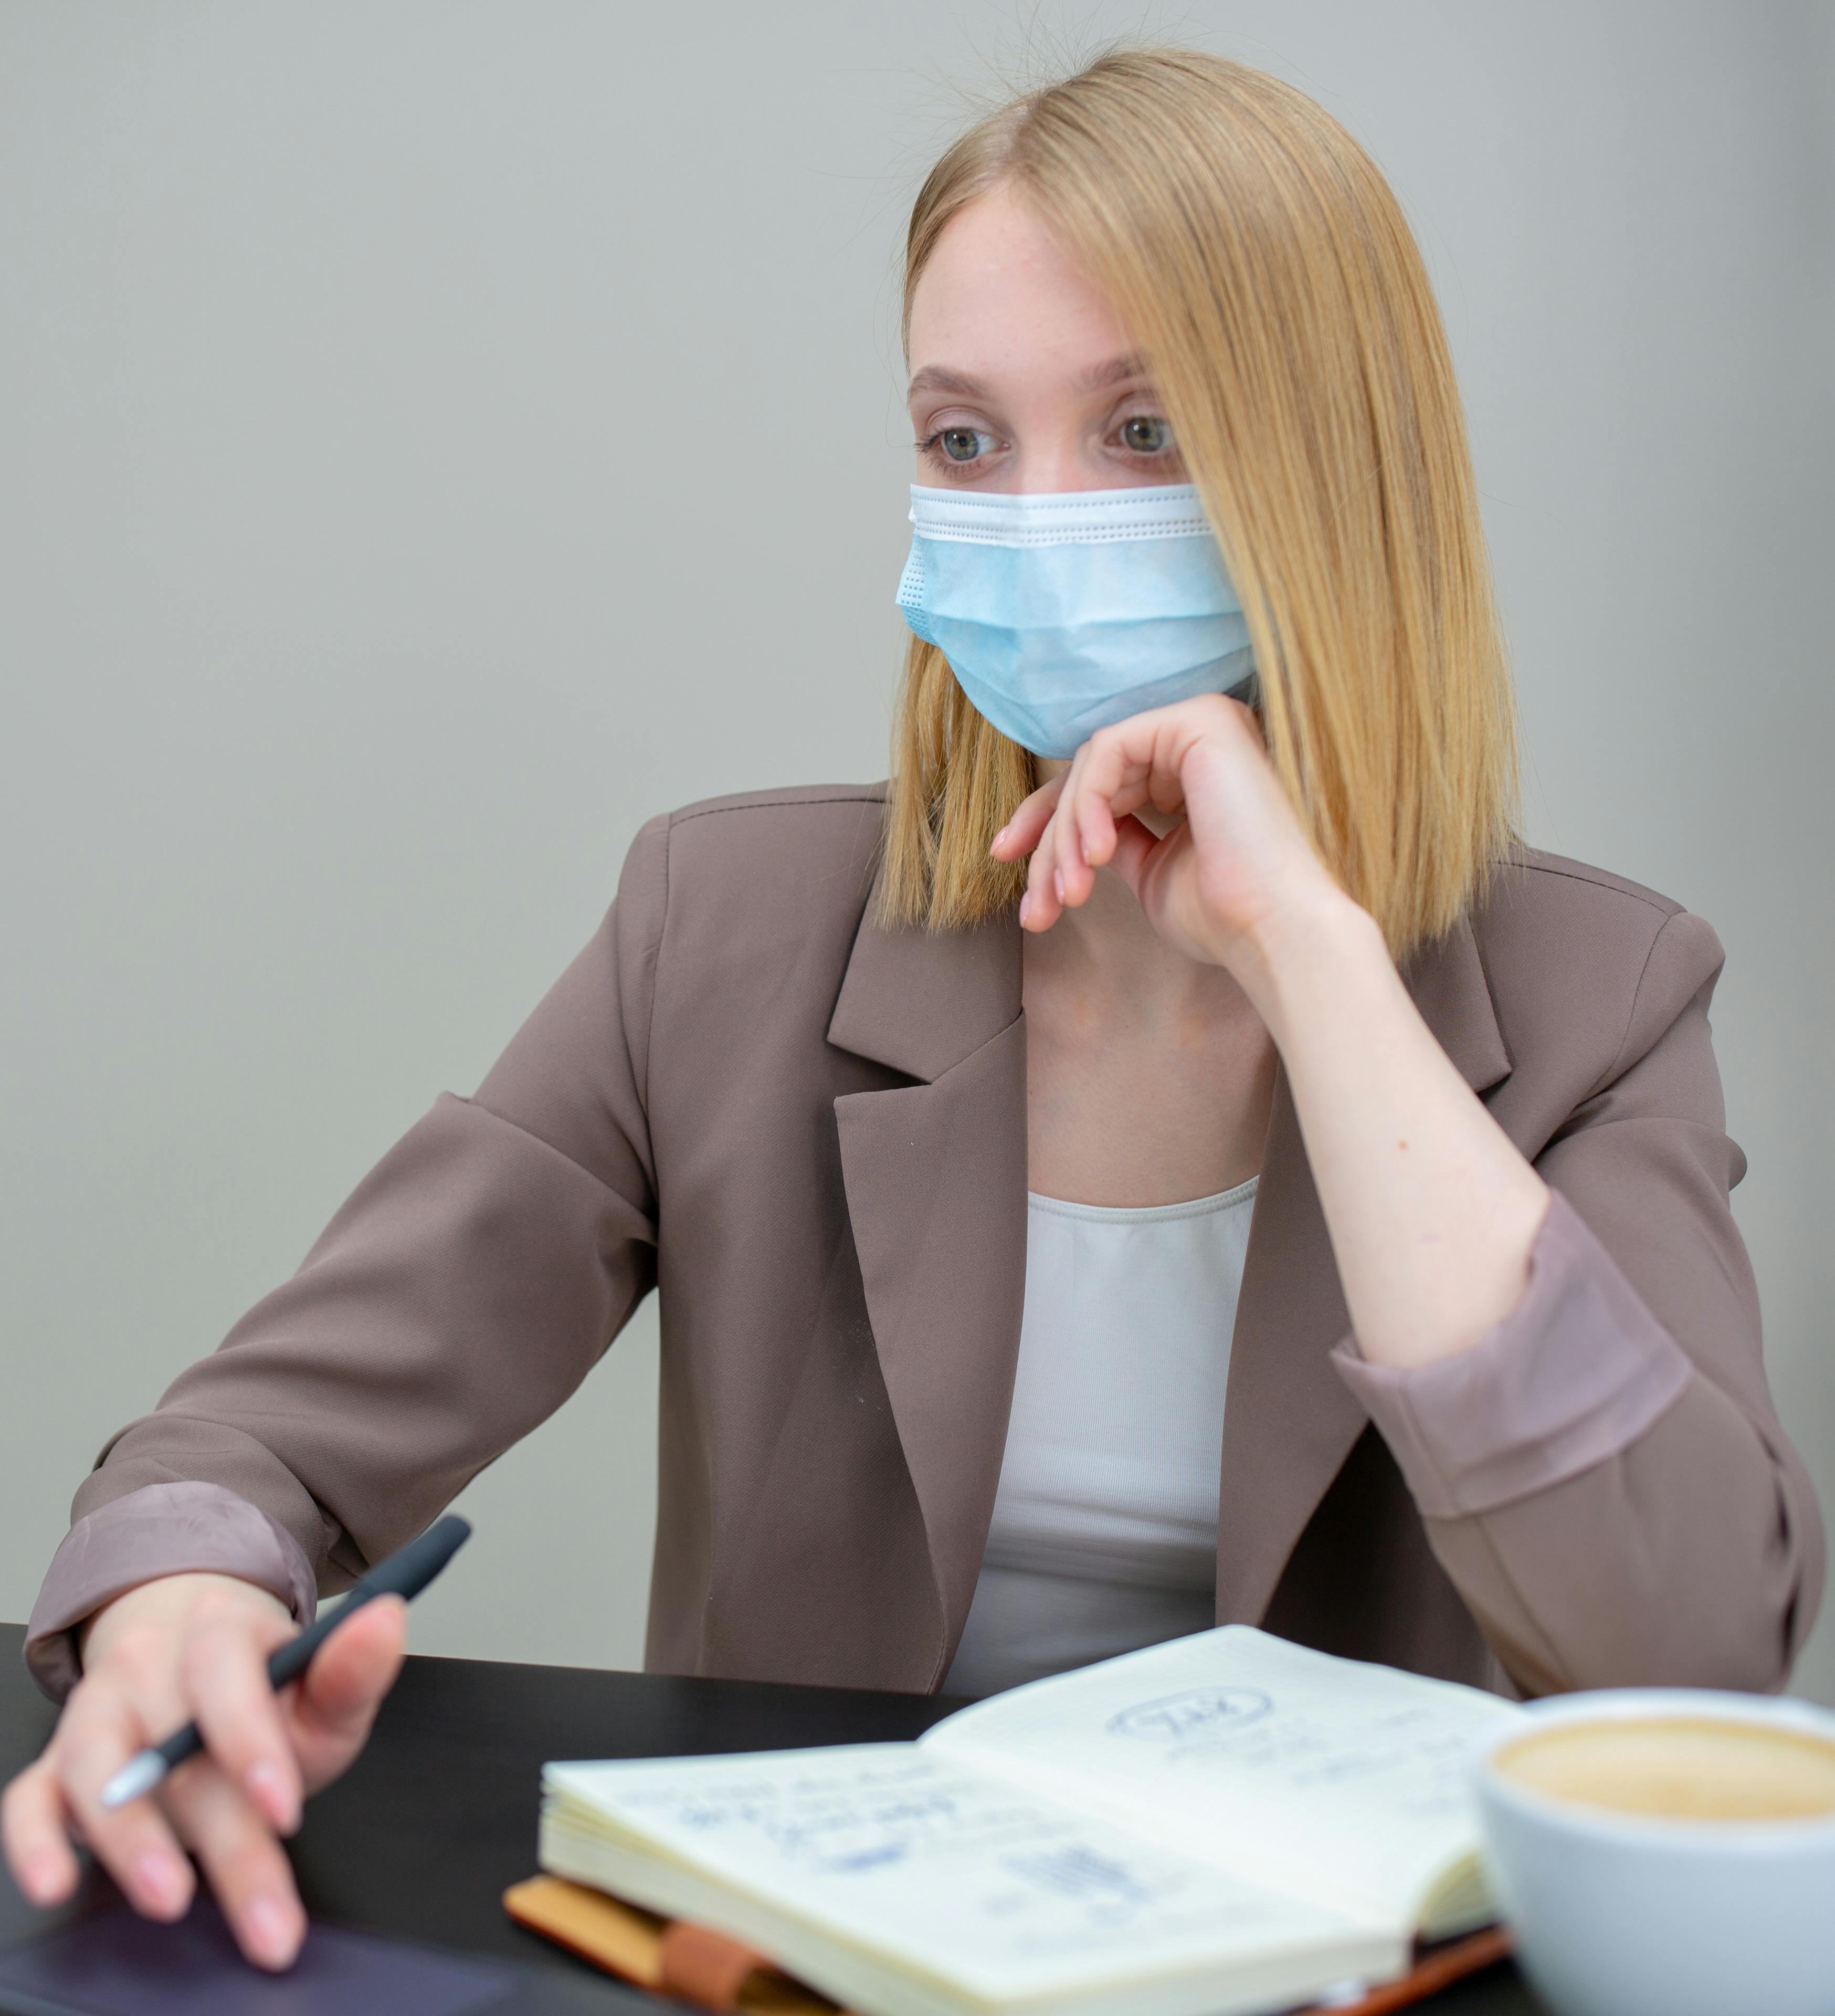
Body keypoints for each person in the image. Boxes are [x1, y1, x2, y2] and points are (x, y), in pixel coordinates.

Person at [3, 46, 1821, 1976]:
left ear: (1334, 469)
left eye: (1141, 431)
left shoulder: (1602, 994)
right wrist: (176, 1603)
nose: (1035, 518)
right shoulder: (726, 927)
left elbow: (1689, 1651)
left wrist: (1311, 955)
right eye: (965, 442)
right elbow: (264, 1442)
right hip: (815, 1966)